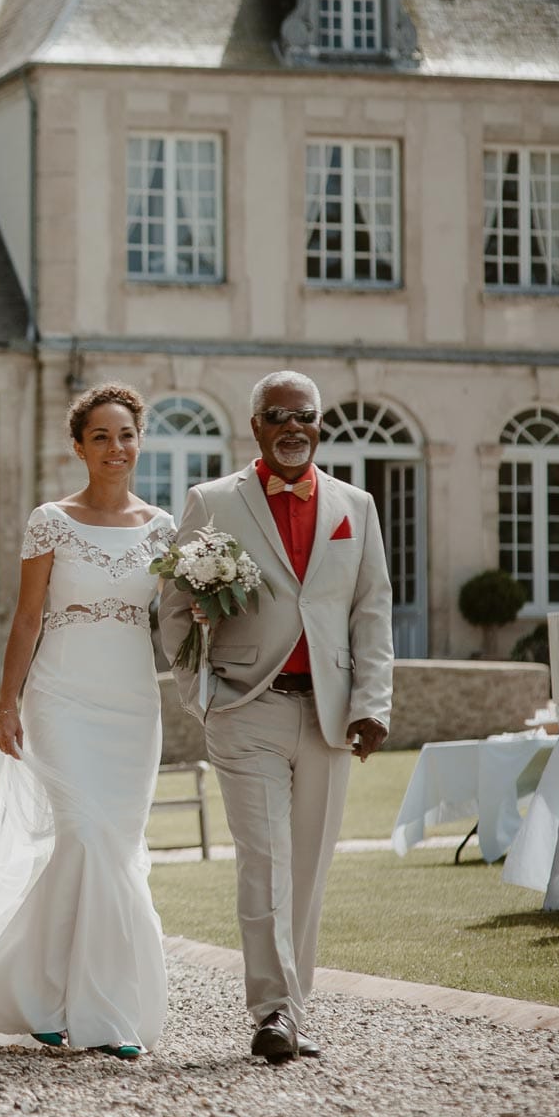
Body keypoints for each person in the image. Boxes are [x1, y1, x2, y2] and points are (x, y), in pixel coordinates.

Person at [0, 383, 174, 1059]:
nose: (115, 448)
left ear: (138, 440)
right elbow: (29, 617)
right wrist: (7, 703)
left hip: (132, 704)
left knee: (103, 849)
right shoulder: (50, 521)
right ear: (79, 446)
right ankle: (102, 1015)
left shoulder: (162, 529)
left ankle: (32, 993)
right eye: (100, 437)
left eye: (125, 435)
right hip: (62, 697)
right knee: (87, 835)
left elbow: (178, 620)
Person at [158, 371, 393, 1065]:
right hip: (245, 706)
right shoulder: (212, 501)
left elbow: (371, 612)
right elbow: (173, 606)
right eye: (279, 416)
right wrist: (200, 691)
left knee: (308, 870)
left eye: (307, 416)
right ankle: (274, 1013)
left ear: (320, 425)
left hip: (327, 713)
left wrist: (372, 704)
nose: (295, 427)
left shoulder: (356, 505)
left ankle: (295, 1007)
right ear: (255, 424)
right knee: (263, 864)